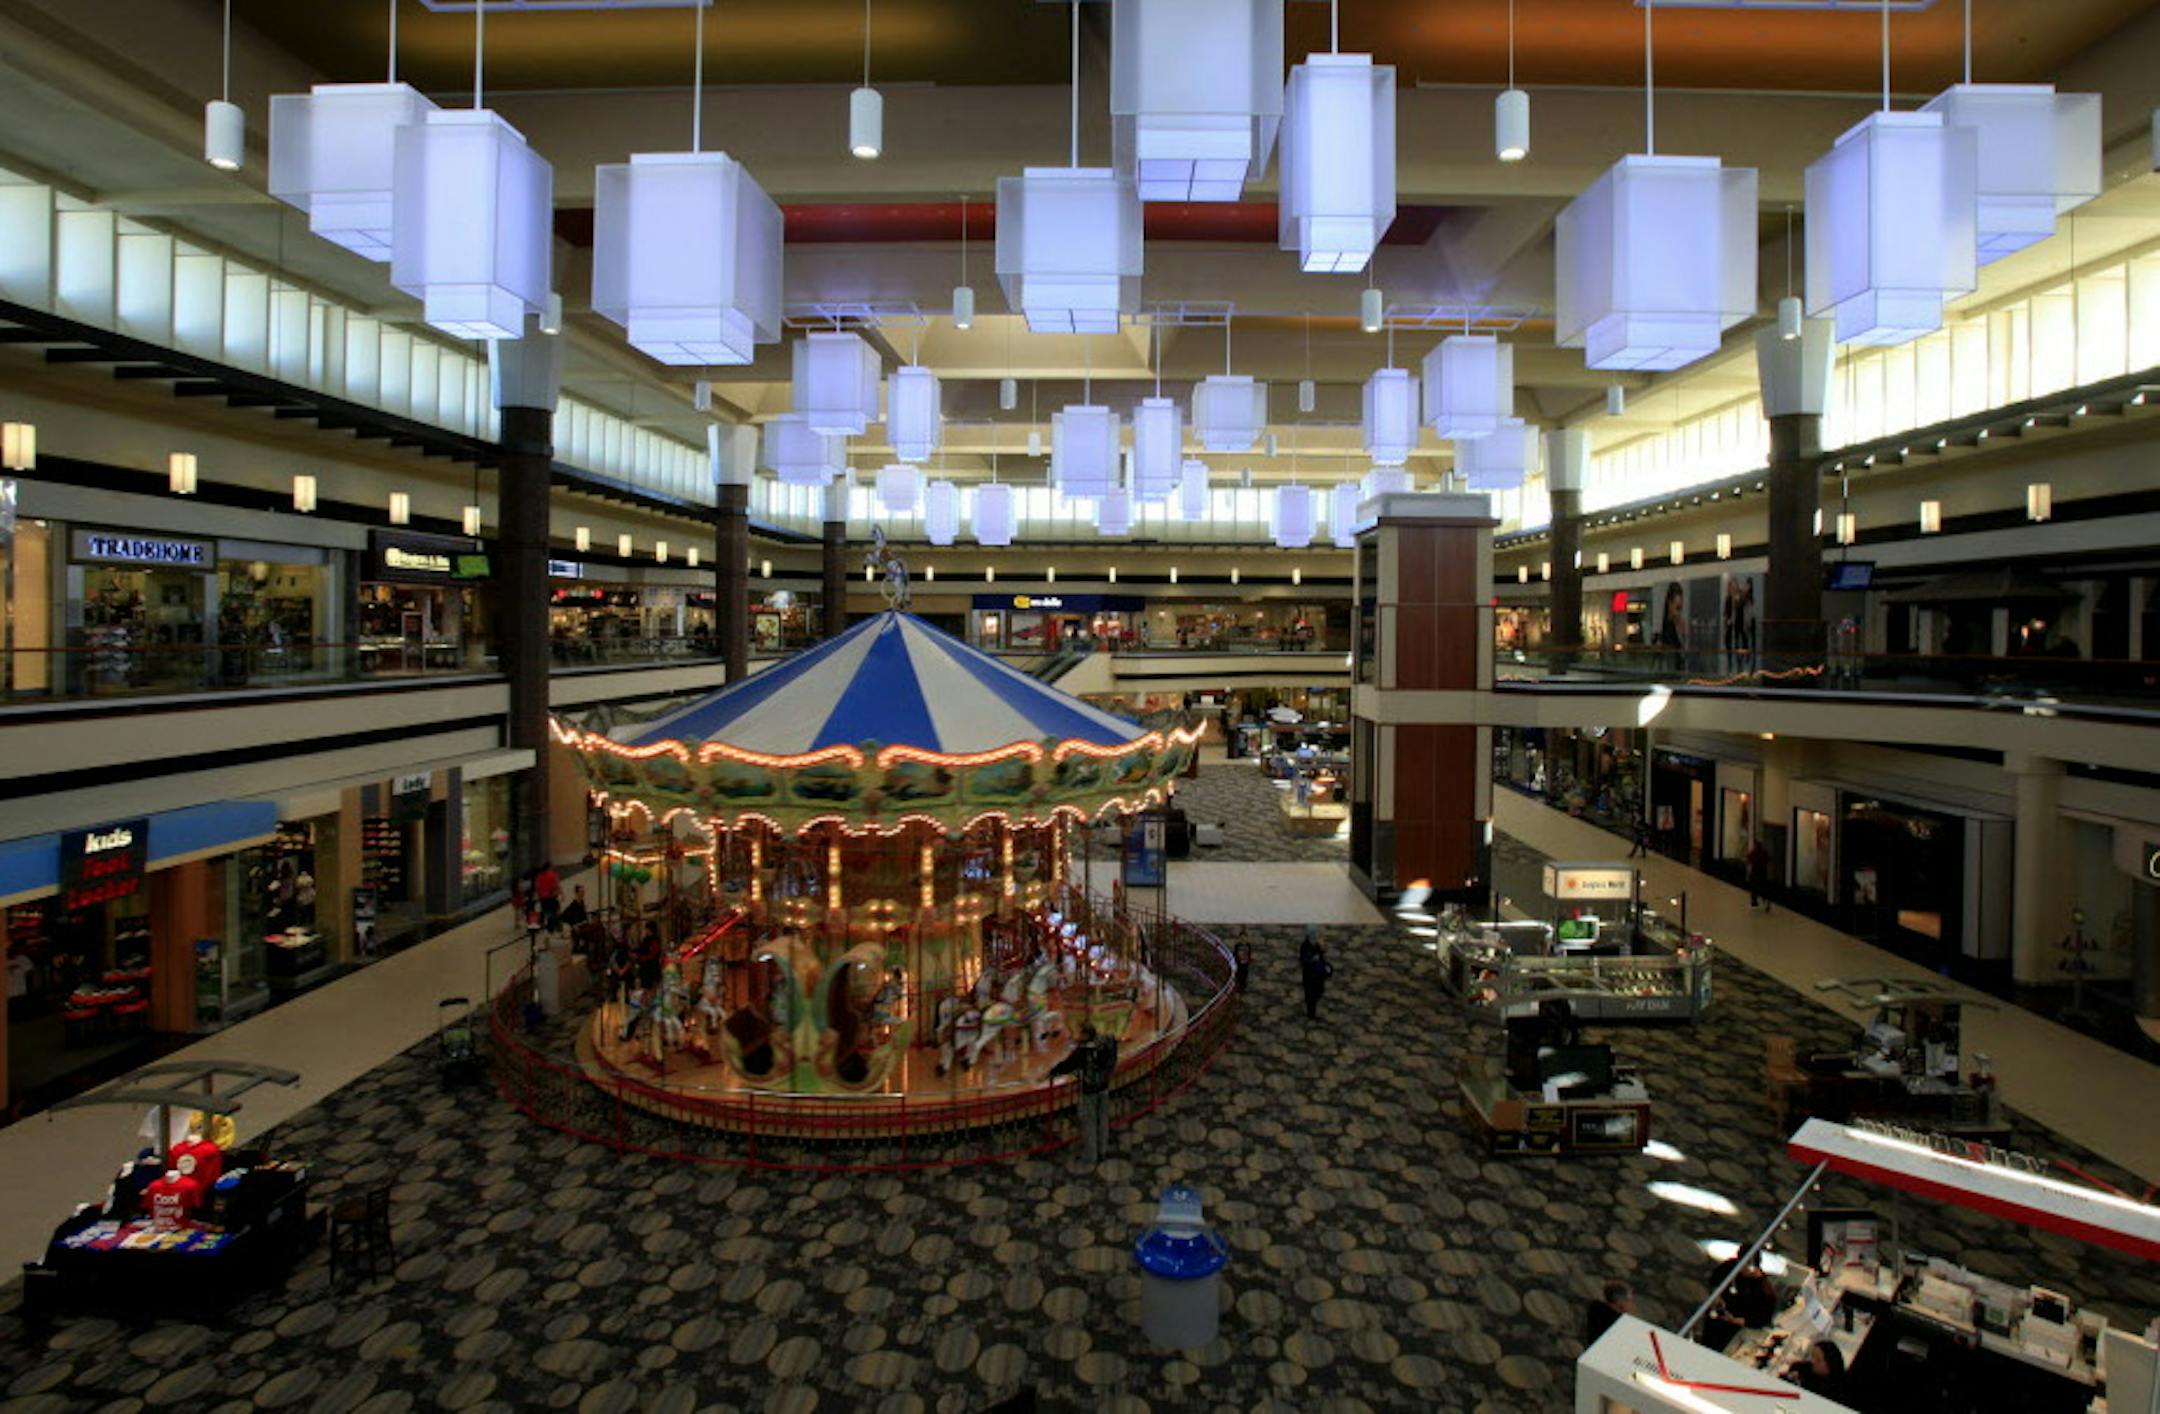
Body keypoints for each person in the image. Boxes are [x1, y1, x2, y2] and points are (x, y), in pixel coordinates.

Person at [1047, 1022, 1117, 1167]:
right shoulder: (1106, 1042)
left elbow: (1066, 1066)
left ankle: (1091, 1155)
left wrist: (1050, 1073)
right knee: (1103, 1119)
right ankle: (1102, 1150)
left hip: (1089, 1090)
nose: (1075, 1036)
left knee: (1089, 1122)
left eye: (1078, 1033)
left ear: (1085, 1035)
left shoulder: (1082, 1052)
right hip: (1103, 1086)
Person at [1585, 1279, 1633, 1346]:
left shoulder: (1596, 1311)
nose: (1631, 1303)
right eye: (1628, 1299)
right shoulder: (1616, 1323)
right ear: (1619, 1300)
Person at [1299, 927, 1332, 1020]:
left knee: (1319, 990)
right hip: (1309, 976)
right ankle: (1311, 1015)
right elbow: (1303, 961)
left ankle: (1311, 1011)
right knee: (1311, 996)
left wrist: (1322, 946)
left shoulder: (1316, 944)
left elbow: (1322, 952)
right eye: (1316, 935)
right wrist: (1312, 959)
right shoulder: (1305, 946)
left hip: (1318, 975)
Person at [534, 860, 562, 932]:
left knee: (546, 912)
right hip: (551, 897)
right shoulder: (552, 875)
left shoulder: (539, 876)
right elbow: (556, 886)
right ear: (549, 867)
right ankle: (557, 927)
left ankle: (544, 925)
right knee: (556, 912)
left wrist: (540, 895)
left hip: (543, 899)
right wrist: (559, 893)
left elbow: (537, 887)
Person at [1746, 838, 1771, 912]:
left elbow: (1749, 863)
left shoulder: (1753, 853)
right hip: (1763, 873)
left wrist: (1748, 874)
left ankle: (1754, 903)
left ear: (1755, 846)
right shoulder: (1765, 853)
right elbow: (1768, 861)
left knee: (1753, 888)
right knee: (1763, 888)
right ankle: (1765, 900)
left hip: (1755, 873)